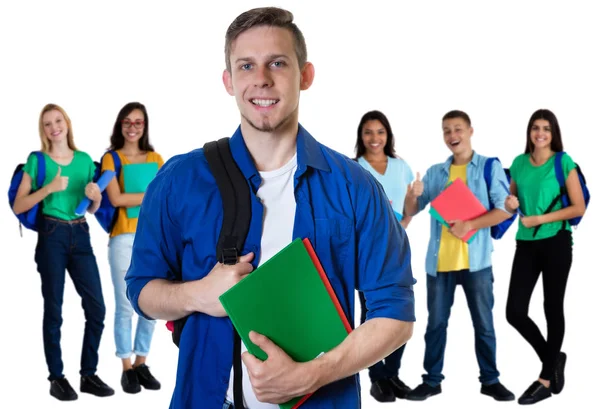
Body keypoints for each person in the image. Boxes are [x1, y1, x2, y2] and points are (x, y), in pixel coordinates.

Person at [125, 7, 415, 409]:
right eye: (246, 66)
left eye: (277, 63)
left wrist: (312, 374)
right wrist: (198, 295)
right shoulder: (179, 180)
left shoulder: (356, 187)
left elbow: (395, 316)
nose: (261, 78)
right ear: (228, 81)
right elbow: (142, 289)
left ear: (306, 75)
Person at [404, 110, 514, 402]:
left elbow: (505, 208)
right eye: (446, 131)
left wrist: (471, 224)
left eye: (457, 129)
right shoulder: (435, 173)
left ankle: (490, 380)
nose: (452, 136)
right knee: (436, 325)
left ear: (470, 131)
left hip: (477, 262)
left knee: (484, 324)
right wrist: (412, 194)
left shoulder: (488, 167)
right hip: (440, 263)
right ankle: (431, 381)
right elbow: (412, 211)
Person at [12, 103, 115, 401]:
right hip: (52, 236)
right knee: (54, 310)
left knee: (97, 308)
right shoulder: (37, 161)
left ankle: (88, 374)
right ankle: (57, 377)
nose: (54, 127)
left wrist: (94, 199)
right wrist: (49, 188)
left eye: (58, 120)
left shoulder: (84, 160)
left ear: (67, 123)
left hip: (80, 234)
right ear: (43, 130)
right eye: (47, 124)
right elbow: (19, 206)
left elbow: (92, 208)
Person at [504, 109, 585, 405]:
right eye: (536, 128)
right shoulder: (518, 163)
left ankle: (546, 378)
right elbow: (511, 202)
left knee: (552, 306)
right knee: (515, 312)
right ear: (529, 132)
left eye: (546, 129)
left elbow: (578, 207)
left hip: (557, 242)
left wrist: (541, 219)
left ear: (554, 133)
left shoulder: (563, 162)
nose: (540, 133)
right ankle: (553, 360)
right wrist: (509, 202)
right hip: (526, 244)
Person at [101, 102, 164, 394]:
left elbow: (162, 199)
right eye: (127, 122)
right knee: (125, 304)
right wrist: (147, 194)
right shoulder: (111, 159)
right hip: (123, 237)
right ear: (120, 125)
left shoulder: (156, 158)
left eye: (138, 122)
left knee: (150, 302)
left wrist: (138, 196)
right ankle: (126, 366)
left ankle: (141, 362)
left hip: (151, 237)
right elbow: (116, 199)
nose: (132, 127)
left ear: (144, 126)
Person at [354, 110, 414, 402]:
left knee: (401, 311)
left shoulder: (400, 167)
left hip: (397, 247)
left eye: (380, 132)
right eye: (368, 132)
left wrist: (412, 204)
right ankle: (377, 377)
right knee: (372, 314)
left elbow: (407, 209)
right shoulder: (354, 168)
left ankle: (392, 373)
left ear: (388, 135)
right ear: (360, 136)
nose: (374, 138)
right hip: (367, 251)